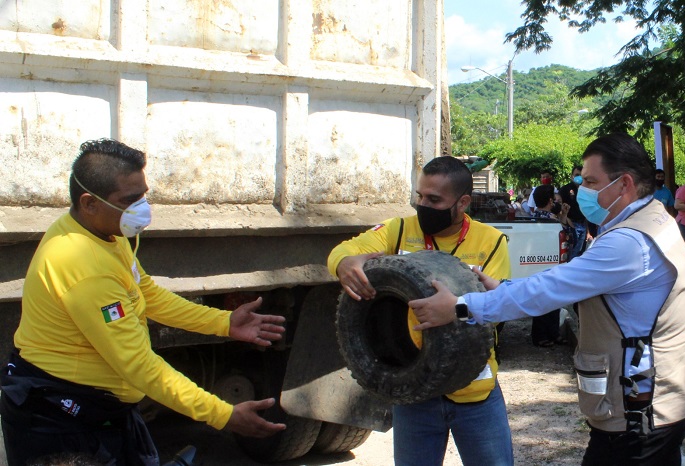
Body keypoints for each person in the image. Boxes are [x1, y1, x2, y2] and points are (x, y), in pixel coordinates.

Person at [409, 133, 685, 465]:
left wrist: (461, 307)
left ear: (624, 184)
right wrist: (502, 287)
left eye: (590, 181)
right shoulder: (656, 218)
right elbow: (568, 284)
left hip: (639, 411)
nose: (581, 190)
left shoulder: (628, 243)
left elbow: (551, 289)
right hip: (664, 398)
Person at [0, 139, 287, 466]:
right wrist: (221, 414)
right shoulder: (83, 266)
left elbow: (147, 293)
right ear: (89, 203)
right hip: (60, 420)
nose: (142, 207)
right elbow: (138, 365)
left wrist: (221, 322)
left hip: (98, 410)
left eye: (143, 194)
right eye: (130, 199)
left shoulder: (105, 235)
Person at [327, 156, 513, 466]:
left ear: (463, 202)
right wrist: (345, 264)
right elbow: (344, 251)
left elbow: (499, 307)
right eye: (420, 197)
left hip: (474, 390)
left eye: (434, 199)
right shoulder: (398, 230)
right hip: (415, 393)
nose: (423, 205)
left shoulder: (490, 241)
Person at [530, 185, 568, 347]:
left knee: (545, 298)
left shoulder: (534, 216)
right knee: (550, 299)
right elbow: (568, 234)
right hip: (552, 262)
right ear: (550, 201)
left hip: (540, 261)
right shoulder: (550, 220)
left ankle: (549, 334)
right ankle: (546, 335)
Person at [559, 166, 589, 258]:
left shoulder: (586, 190)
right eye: (576, 175)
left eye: (581, 175)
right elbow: (560, 208)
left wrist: (588, 231)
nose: (579, 177)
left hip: (583, 225)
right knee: (570, 253)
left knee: (579, 252)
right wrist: (568, 220)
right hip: (571, 226)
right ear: (572, 176)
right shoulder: (565, 189)